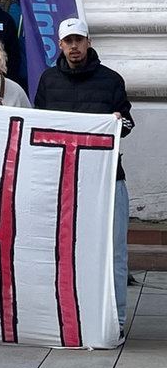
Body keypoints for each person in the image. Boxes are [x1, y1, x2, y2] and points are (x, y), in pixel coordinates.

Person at [34, 17, 133, 336]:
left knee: (113, 252)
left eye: (79, 40)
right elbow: (39, 126)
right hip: (63, 183)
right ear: (59, 45)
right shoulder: (49, 80)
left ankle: (114, 321)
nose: (74, 46)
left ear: (89, 42)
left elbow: (129, 125)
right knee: (62, 250)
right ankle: (64, 315)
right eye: (68, 41)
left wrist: (118, 123)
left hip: (107, 181)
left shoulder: (112, 80)